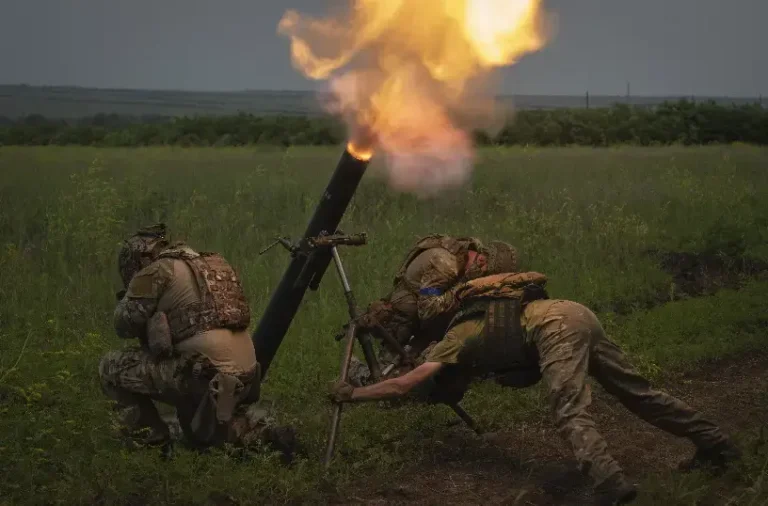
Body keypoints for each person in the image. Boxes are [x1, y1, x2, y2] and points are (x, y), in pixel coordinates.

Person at [329, 270, 741, 505]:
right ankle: (715, 442)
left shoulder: (453, 339)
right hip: (576, 313)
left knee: (568, 407)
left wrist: (355, 393)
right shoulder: (478, 320)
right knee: (637, 392)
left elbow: (406, 384)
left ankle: (609, 483)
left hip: (554, 328)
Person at [98, 224, 297, 461]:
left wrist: (131, 298)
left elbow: (124, 325)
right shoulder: (213, 262)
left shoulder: (155, 271)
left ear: (141, 258)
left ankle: (150, 443)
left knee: (110, 367)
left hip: (202, 374)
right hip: (246, 374)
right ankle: (261, 435)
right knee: (200, 436)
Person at [346, 234, 519, 384]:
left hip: (426, 322)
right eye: (487, 277)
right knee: (385, 383)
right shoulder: (446, 266)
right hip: (406, 320)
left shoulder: (468, 255)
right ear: (481, 261)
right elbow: (427, 309)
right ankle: (353, 369)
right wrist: (463, 291)